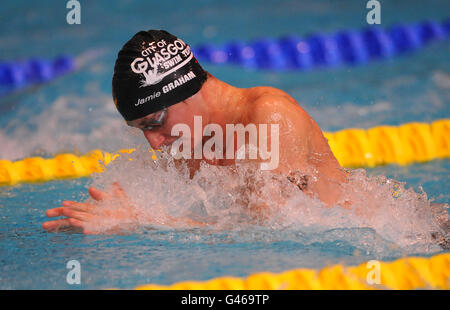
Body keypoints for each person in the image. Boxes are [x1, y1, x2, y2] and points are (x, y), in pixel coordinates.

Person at [42, 30, 348, 234]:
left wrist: (141, 222)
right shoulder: (187, 142)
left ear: (187, 93)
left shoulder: (270, 117)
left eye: (155, 121)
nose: (153, 142)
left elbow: (273, 233)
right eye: (141, 130)